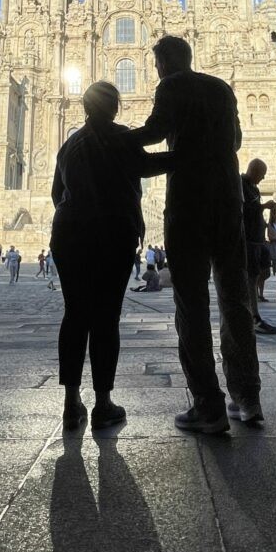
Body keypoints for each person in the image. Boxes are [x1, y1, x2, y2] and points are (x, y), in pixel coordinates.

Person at [128, 35, 262, 431]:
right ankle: (247, 397)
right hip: (228, 200)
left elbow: (155, 131)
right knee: (236, 298)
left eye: (156, 67)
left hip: (189, 202)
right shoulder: (221, 87)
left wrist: (119, 138)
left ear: (165, 64)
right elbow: (235, 140)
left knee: (192, 302)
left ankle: (208, 404)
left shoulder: (171, 85)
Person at [51, 81, 173, 431]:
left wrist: (76, 211)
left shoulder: (69, 145)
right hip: (112, 234)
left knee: (75, 315)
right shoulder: (121, 136)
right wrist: (188, 154)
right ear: (115, 107)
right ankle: (103, 404)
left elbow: (56, 193)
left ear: (85, 108)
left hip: (69, 234)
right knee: (105, 318)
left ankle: (71, 404)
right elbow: (148, 165)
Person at [240, 160, 276, 335]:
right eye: (261, 174)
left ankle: (253, 314)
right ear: (254, 170)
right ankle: (254, 317)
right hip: (248, 240)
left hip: (258, 240)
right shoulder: (240, 184)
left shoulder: (254, 188)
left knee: (260, 274)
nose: (263, 178)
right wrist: (263, 206)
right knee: (250, 278)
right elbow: (242, 208)